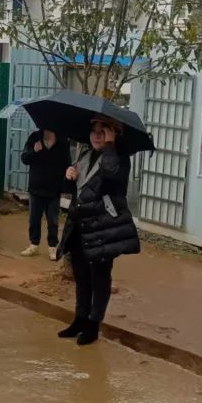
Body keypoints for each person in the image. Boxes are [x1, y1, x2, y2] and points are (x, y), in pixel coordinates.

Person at [55, 116, 140, 346]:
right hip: (79, 226)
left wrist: (110, 146)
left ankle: (93, 325)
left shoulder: (119, 157)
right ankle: (80, 319)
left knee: (99, 278)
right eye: (94, 130)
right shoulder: (84, 155)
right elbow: (76, 192)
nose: (96, 135)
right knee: (81, 275)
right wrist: (69, 177)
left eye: (103, 131)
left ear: (113, 134)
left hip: (103, 228)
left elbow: (112, 179)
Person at [19, 128, 71, 260]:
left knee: (53, 221)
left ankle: (52, 247)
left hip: (54, 190)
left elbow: (67, 164)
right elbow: (24, 158)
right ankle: (34, 245)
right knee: (34, 219)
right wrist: (34, 151)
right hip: (36, 188)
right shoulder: (34, 137)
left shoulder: (63, 141)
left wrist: (67, 182)